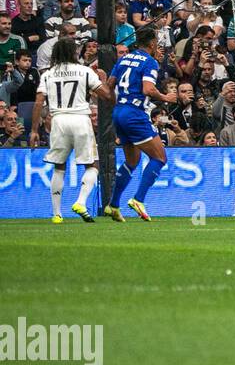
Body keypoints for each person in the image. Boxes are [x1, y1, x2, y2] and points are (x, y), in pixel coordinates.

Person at [30, 37, 114, 223]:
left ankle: (57, 214)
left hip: (58, 120)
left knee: (59, 167)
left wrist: (34, 130)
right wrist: (103, 79)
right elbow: (107, 96)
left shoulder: (48, 74)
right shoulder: (84, 71)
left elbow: (38, 103)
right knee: (93, 165)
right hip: (80, 119)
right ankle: (81, 202)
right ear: (74, 53)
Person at [104, 27, 177, 222]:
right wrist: (166, 98)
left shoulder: (123, 59)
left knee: (132, 161)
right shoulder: (149, 62)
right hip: (135, 114)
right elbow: (148, 89)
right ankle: (138, 199)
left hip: (119, 112)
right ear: (152, 43)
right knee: (160, 157)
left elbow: (108, 87)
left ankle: (113, 205)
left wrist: (118, 104)